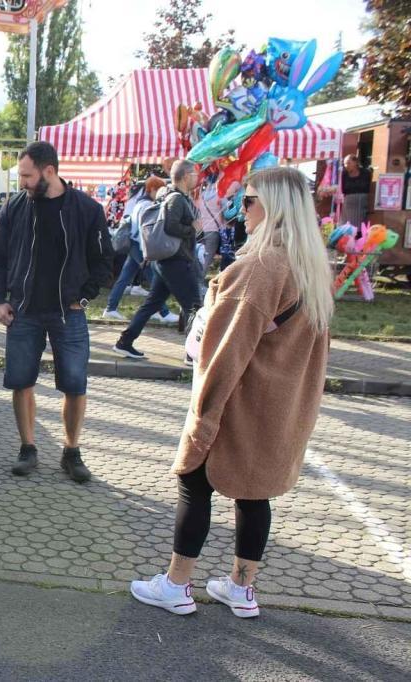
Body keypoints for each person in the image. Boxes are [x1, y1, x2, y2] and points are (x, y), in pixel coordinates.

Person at [129, 166, 333, 618]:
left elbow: (226, 351)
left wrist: (204, 415)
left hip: (238, 404)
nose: (241, 209)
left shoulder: (261, 266)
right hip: (278, 409)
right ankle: (242, 588)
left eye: (249, 200)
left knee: (192, 483)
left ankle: (177, 585)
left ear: (275, 208)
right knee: (254, 493)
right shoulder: (309, 268)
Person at [0, 141, 112, 481]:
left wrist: (83, 298)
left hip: (68, 314)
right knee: (20, 381)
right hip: (23, 311)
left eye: (27, 176)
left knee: (75, 384)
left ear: (49, 171)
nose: (22, 183)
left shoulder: (86, 209)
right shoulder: (15, 207)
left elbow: (104, 262)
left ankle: (71, 452)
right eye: (21, 176)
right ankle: (28, 448)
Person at [113, 160, 203, 362]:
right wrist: (192, 229)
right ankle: (192, 353)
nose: (197, 179)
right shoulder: (176, 200)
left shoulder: (168, 195)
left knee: (152, 303)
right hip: (176, 260)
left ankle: (124, 342)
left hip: (166, 260)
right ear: (186, 176)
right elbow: (171, 226)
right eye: (195, 175)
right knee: (193, 307)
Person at [103, 176, 179, 324]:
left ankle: (111, 308)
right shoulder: (146, 205)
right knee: (154, 278)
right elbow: (144, 230)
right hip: (139, 245)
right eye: (159, 190)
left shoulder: (140, 203)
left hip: (135, 244)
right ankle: (163, 312)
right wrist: (146, 251)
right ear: (152, 190)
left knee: (126, 277)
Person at [340, 154, 370, 227]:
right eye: (345, 164)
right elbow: (343, 189)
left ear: (356, 162)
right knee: (347, 225)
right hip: (349, 204)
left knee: (361, 225)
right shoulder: (344, 174)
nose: (346, 165)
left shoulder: (365, 173)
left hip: (362, 204)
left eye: (348, 163)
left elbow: (368, 188)